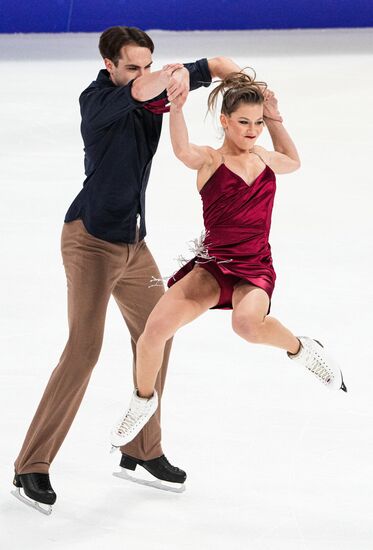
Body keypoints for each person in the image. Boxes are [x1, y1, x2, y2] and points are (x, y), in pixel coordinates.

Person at [12, 25, 243, 514]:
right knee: (83, 350)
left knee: (158, 332)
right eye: (131, 66)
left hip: (135, 247)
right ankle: (30, 466)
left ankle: (141, 450)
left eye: (147, 63)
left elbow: (220, 64)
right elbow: (144, 89)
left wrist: (247, 86)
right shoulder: (97, 101)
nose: (141, 74)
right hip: (90, 241)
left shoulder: (155, 86)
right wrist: (172, 75)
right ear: (110, 66)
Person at [109, 70, 347, 453]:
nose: (252, 130)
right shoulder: (210, 159)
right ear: (224, 121)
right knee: (153, 332)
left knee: (248, 325)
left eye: (256, 123)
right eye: (243, 122)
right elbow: (182, 150)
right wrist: (177, 108)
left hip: (254, 267)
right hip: (214, 266)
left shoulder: (266, 158)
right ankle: (142, 399)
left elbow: (293, 161)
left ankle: (302, 349)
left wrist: (274, 117)